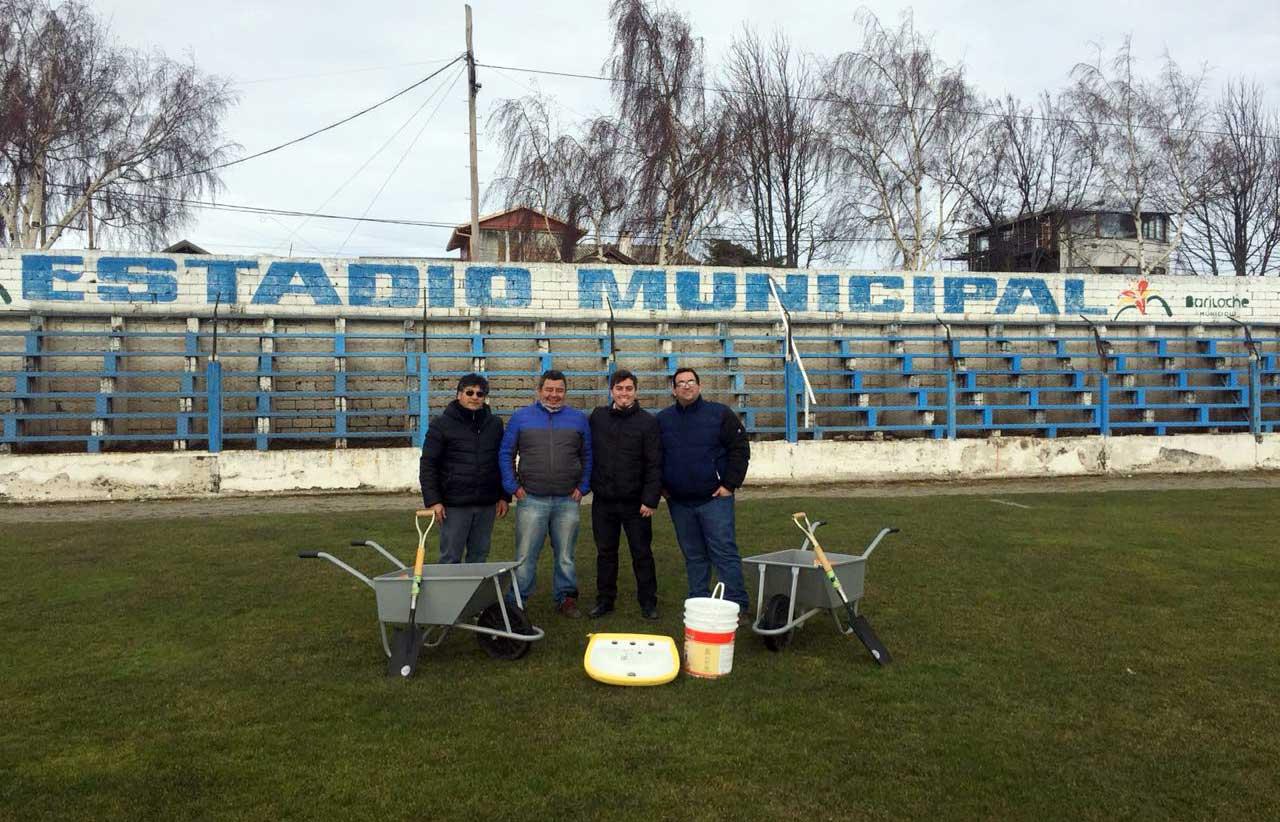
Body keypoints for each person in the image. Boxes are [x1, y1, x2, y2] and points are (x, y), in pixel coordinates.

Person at [656, 367, 751, 617]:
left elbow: (740, 449)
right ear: (674, 389)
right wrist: (664, 489)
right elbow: (655, 457)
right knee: (694, 556)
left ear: (699, 386)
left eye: (690, 381)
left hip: (714, 500)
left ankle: (736, 605)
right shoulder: (663, 420)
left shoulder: (719, 414)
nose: (686, 386)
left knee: (724, 552)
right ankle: (698, 602)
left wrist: (729, 484)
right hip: (680, 503)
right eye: (680, 383)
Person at [499, 369, 592, 618]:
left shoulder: (578, 419)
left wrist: (583, 487)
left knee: (565, 556)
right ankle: (517, 600)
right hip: (532, 499)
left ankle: (566, 598)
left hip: (567, 500)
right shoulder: (521, 417)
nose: (554, 395)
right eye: (549, 390)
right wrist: (513, 487)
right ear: (539, 391)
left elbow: (588, 455)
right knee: (526, 555)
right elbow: (506, 453)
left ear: (565, 392)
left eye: (559, 390)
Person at [588, 369, 663, 620]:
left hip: (636, 504)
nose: (624, 393)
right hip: (604, 502)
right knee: (605, 554)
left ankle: (648, 601)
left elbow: (654, 464)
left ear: (636, 391)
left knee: (642, 553)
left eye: (629, 389)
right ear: (611, 391)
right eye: (619, 388)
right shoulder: (597, 417)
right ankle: (605, 600)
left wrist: (650, 499)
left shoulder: (648, 422)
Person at [418, 373, 509, 563]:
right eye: (470, 392)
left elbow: (502, 461)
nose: (475, 397)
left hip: (486, 504)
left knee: (479, 556)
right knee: (450, 557)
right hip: (454, 505)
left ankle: (474, 594)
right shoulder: (441, 425)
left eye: (480, 394)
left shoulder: (495, 424)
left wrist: (503, 496)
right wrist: (434, 501)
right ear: (459, 394)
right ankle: (448, 594)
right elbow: (428, 464)